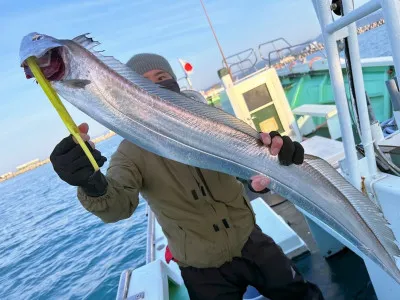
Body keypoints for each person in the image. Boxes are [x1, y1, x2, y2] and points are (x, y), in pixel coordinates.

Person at [50, 53, 323, 300]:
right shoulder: (130, 152)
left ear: (175, 81)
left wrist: (276, 162)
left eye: (162, 77)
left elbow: (250, 172)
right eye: (142, 82)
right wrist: (90, 182)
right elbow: (118, 207)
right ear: (130, 92)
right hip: (200, 267)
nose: (155, 85)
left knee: (301, 295)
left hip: (250, 240)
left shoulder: (213, 121)